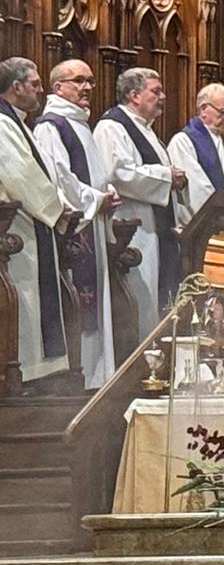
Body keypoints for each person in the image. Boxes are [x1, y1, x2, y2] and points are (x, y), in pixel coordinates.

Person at [34, 59, 122, 387]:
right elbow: (59, 179)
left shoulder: (80, 123)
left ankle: (98, 379)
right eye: (78, 81)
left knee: (98, 311)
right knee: (80, 304)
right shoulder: (51, 126)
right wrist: (97, 199)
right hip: (75, 231)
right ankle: (80, 381)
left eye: (90, 81)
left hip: (93, 225)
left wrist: (106, 192)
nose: (87, 88)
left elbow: (94, 175)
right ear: (58, 87)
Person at [0, 57, 77, 384]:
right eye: (35, 84)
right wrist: (58, 209)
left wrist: (59, 205)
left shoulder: (17, 121)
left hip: (31, 223)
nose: (40, 91)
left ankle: (38, 372)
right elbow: (21, 175)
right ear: (15, 87)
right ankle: (24, 375)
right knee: (26, 298)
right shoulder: (3, 123)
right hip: (16, 229)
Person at [94, 67, 185, 338]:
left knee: (158, 300)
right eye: (155, 91)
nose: (163, 97)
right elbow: (117, 173)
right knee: (140, 300)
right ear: (134, 95)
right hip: (133, 229)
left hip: (155, 228)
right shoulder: (112, 127)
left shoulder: (146, 131)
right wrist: (166, 175)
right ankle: (139, 368)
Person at [168, 83, 224, 226]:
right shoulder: (183, 142)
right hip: (202, 228)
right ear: (203, 109)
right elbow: (198, 192)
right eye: (223, 112)